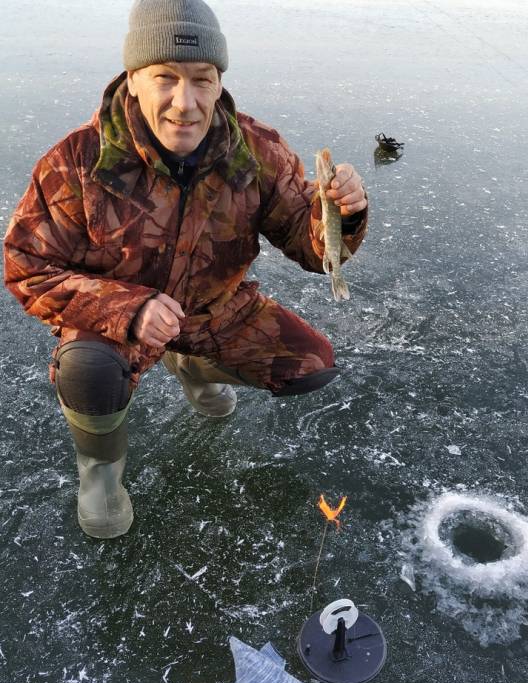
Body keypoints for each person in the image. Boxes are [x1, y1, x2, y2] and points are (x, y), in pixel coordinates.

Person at [3, 0, 368, 540]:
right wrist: (127, 308)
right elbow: (26, 264)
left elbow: (310, 246)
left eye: (202, 79)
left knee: (310, 363)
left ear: (219, 82)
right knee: (88, 370)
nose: (186, 102)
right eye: (165, 78)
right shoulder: (77, 161)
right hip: (116, 325)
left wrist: (341, 213)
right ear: (133, 79)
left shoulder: (257, 151)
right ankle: (100, 471)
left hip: (215, 308)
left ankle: (192, 366)